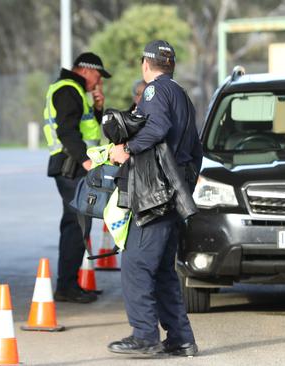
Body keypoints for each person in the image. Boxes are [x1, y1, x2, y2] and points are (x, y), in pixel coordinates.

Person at [107, 40, 202, 357]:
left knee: (135, 264)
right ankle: (180, 339)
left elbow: (157, 128)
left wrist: (127, 149)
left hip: (156, 194)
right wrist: (183, 184)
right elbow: (196, 149)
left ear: (145, 65)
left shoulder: (154, 91)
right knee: (162, 269)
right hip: (175, 191)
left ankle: (145, 336)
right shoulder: (182, 95)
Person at [43, 52, 111, 303]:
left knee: (78, 223)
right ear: (85, 70)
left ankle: (69, 284)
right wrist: (85, 159)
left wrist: (98, 109)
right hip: (72, 167)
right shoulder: (68, 90)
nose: (98, 81)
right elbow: (66, 131)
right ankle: (66, 287)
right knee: (76, 223)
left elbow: (88, 129)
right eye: (97, 75)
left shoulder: (74, 92)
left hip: (74, 166)